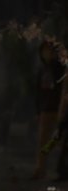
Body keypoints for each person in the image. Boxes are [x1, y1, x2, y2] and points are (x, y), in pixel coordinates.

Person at [32, 41, 65, 179]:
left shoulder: (59, 68)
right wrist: (38, 111)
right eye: (45, 50)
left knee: (57, 139)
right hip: (45, 109)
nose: (47, 53)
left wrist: (62, 109)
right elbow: (38, 91)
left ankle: (60, 167)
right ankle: (41, 168)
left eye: (50, 50)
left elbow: (62, 90)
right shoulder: (42, 69)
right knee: (43, 141)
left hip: (57, 108)